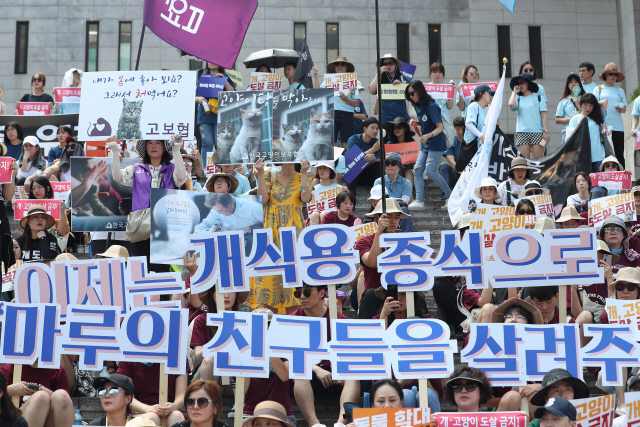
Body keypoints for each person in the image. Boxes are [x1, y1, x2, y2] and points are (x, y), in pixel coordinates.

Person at [107, 134, 187, 270]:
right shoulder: (137, 168)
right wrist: (115, 151)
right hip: (140, 225)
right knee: (141, 269)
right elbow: (117, 177)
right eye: (149, 142)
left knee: (163, 269)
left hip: (165, 224)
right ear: (145, 147)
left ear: (164, 147)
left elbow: (181, 178)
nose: (153, 146)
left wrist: (177, 150)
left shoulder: (172, 168)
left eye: (158, 143)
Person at [246, 157, 311, 314]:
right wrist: (260, 174)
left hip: (293, 233)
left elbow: (306, 198)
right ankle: (269, 327)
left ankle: (293, 324)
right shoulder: (270, 175)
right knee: (269, 280)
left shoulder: (302, 175)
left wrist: (303, 173)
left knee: (293, 282)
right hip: (270, 231)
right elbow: (263, 199)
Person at [290, 282, 357, 427]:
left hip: (335, 377)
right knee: (298, 371)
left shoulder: (337, 318)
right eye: (298, 293)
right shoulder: (292, 319)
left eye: (307, 292)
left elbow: (350, 354)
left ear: (322, 293)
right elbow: (287, 357)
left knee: (353, 373)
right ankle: (314, 424)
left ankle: (341, 423)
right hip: (306, 376)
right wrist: (315, 368)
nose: (302, 297)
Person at [405, 80, 450, 208]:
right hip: (426, 143)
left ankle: (450, 196)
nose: (411, 97)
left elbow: (439, 127)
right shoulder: (418, 106)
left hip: (435, 142)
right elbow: (426, 124)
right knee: (417, 169)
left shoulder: (431, 106)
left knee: (430, 171)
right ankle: (419, 200)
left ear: (420, 91)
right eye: (409, 95)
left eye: (413, 93)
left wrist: (428, 135)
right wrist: (416, 124)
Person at [192, 286, 248, 381]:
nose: (226, 296)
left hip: (237, 376)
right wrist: (220, 343)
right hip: (207, 374)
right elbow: (197, 357)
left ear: (236, 295)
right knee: (211, 359)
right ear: (212, 295)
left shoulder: (245, 321)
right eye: (221, 291)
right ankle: (206, 394)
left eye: (231, 291)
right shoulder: (201, 320)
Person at [355, 199, 408, 298]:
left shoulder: (405, 241)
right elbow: (373, 263)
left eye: (397, 217)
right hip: (375, 296)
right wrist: (379, 233)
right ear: (377, 218)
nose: (393, 221)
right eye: (388, 217)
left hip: (401, 295)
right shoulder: (363, 242)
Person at [1, 361, 73, 427]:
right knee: (41, 397)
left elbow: (64, 402)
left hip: (49, 419)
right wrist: (10, 389)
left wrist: (50, 394)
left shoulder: (57, 370)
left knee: (61, 395)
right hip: (18, 417)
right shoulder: (11, 366)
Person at [116, 361, 186, 426]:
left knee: (176, 416)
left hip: (169, 411)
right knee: (151, 418)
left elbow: (182, 395)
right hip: (139, 411)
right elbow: (127, 397)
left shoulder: (177, 353)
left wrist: (173, 406)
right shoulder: (129, 355)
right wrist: (148, 409)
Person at [313, 56, 361, 147]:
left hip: (347, 113)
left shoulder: (351, 81)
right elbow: (318, 93)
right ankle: (334, 161)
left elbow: (357, 102)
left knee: (347, 141)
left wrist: (346, 100)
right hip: (331, 113)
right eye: (337, 64)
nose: (340, 66)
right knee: (332, 140)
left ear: (346, 67)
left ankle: (347, 160)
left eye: (343, 64)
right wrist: (316, 77)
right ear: (334, 67)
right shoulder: (328, 80)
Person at [195, 62, 236, 161]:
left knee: (220, 143)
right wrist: (199, 99)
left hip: (221, 115)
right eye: (209, 61)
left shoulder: (225, 76)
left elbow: (233, 94)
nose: (211, 63)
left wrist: (224, 80)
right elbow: (195, 97)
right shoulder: (203, 77)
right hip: (204, 115)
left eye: (214, 61)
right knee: (206, 143)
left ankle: (222, 169)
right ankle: (205, 171)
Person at [594, 63, 627, 167]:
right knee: (605, 154)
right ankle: (604, 177)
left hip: (618, 126)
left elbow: (624, 109)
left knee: (619, 154)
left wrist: (620, 108)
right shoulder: (598, 89)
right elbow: (594, 106)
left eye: (615, 74)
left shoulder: (620, 91)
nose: (613, 76)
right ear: (605, 75)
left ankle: (622, 177)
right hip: (604, 126)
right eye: (611, 74)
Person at [509, 73, 548, 159]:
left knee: (538, 159)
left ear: (529, 83)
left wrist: (545, 131)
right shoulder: (518, 98)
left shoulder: (539, 97)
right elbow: (511, 104)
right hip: (522, 132)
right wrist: (515, 92)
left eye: (522, 82)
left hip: (538, 132)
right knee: (524, 160)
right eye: (519, 83)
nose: (520, 85)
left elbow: (544, 116)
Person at [457, 84, 495, 173]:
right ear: (481, 94)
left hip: (480, 148)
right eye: (489, 93)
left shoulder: (485, 111)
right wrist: (481, 136)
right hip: (472, 147)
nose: (491, 96)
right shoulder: (474, 106)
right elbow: (469, 124)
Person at [567, 93, 608, 172]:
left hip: (598, 156)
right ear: (581, 104)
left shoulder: (597, 116)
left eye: (591, 105)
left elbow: (605, 101)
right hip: (582, 157)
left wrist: (595, 104)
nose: (588, 108)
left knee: (598, 182)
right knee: (584, 182)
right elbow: (570, 137)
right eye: (585, 105)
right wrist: (581, 122)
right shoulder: (575, 118)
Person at [369, 54, 409, 123]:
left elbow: (411, 94)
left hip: (401, 117)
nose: (388, 66)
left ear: (395, 64)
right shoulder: (380, 78)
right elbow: (372, 90)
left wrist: (401, 85)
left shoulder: (403, 78)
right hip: (385, 119)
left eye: (391, 63)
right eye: (385, 64)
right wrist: (379, 73)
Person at [346, 117, 382, 193]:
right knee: (354, 165)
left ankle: (378, 194)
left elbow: (379, 158)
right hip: (355, 176)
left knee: (379, 165)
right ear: (365, 129)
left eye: (377, 128)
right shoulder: (353, 139)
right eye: (372, 128)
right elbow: (352, 159)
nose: (375, 131)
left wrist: (373, 159)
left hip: (370, 175)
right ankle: (351, 196)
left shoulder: (377, 142)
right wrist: (372, 150)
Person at [383, 117, 417, 188]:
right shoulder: (390, 143)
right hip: (393, 167)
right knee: (398, 169)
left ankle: (409, 194)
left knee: (407, 169)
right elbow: (387, 159)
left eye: (399, 127)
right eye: (394, 128)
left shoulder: (411, 142)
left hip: (408, 167)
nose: (396, 129)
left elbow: (415, 159)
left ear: (405, 129)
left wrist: (410, 162)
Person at [555, 74, 584, 143]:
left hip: (582, 130)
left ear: (580, 84)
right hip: (568, 131)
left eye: (576, 82)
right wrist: (570, 119)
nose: (573, 84)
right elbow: (557, 119)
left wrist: (577, 104)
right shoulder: (563, 101)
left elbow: (588, 114)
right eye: (571, 82)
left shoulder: (585, 98)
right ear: (567, 85)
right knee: (567, 153)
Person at [440, 116, 463, 191]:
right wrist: (462, 173)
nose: (460, 132)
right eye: (458, 129)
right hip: (457, 174)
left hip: (472, 176)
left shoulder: (473, 142)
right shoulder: (452, 142)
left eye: (462, 129)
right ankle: (446, 193)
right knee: (444, 165)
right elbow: (450, 161)